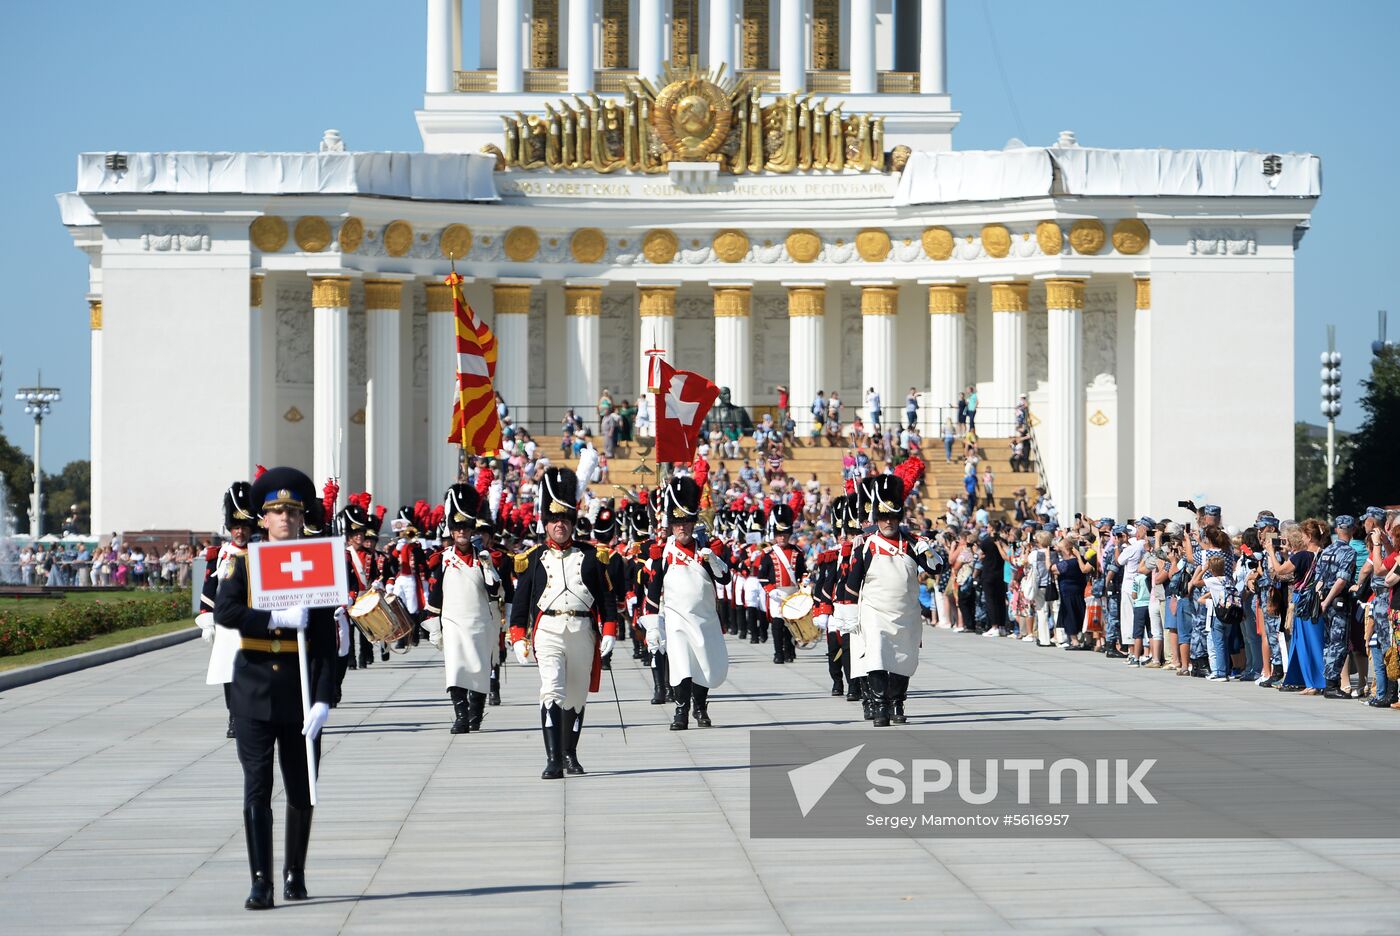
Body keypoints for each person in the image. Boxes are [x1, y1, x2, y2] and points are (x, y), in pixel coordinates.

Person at [214, 467, 337, 910]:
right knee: (257, 786)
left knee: (303, 787)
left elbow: (327, 644)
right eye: (275, 511)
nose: (284, 518)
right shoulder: (243, 561)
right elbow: (224, 611)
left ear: (303, 517)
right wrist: (273, 619)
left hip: (301, 692)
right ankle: (261, 880)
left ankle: (295, 873)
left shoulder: (319, 562)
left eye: (292, 511)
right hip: (254, 688)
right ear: (262, 519)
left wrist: (324, 698)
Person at [508, 467, 619, 779]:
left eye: (565, 520)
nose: (560, 525)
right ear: (546, 523)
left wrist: (609, 629)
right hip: (548, 632)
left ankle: (571, 753)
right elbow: (520, 602)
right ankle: (553, 759)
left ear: (573, 522)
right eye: (555, 520)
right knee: (552, 691)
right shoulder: (531, 558)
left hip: (582, 631)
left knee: (576, 695)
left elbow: (606, 597)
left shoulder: (593, 556)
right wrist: (518, 636)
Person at [846, 474, 942, 727]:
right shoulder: (865, 544)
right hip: (874, 611)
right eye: (883, 517)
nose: (888, 521)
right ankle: (880, 706)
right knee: (876, 656)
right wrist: (846, 612)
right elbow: (853, 580)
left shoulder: (913, 543)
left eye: (893, 517)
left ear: (899, 518)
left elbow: (936, 568)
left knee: (903, 658)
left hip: (906, 612)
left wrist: (928, 550)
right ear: (877, 518)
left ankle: (897, 701)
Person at [643, 476, 732, 729]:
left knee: (703, 663)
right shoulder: (663, 552)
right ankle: (681, 711)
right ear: (671, 526)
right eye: (677, 524)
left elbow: (724, 578)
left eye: (686, 523)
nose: (682, 528)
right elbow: (653, 587)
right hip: (675, 618)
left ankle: (700, 708)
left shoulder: (707, 548)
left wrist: (713, 558)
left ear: (694, 524)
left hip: (704, 617)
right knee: (681, 664)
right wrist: (651, 624)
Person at [423, 485, 501, 734]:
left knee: (478, 670)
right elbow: (436, 593)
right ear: (451, 531)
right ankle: (460, 716)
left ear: (472, 530)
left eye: (466, 528)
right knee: (455, 670)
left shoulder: (484, 557)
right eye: (457, 528)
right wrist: (434, 625)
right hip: (453, 622)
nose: (462, 532)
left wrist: (489, 568)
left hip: (479, 622)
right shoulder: (442, 559)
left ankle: (476, 713)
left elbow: (495, 592)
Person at [198, 481, 257, 739]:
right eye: (236, 527)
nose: (240, 532)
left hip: (255, 620)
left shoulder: (261, 552)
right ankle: (234, 717)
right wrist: (206, 620)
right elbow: (210, 588)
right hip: (228, 624)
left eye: (244, 526)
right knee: (229, 673)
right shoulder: (220, 555)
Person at [756, 503, 805, 665]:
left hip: (792, 593)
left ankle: (790, 651)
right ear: (775, 535)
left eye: (784, 534)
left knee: (791, 625)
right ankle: (778, 653)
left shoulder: (797, 552)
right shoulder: (769, 554)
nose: (782, 537)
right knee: (777, 625)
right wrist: (771, 591)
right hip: (776, 594)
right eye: (779, 534)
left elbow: (802, 573)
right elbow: (762, 576)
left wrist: (804, 586)